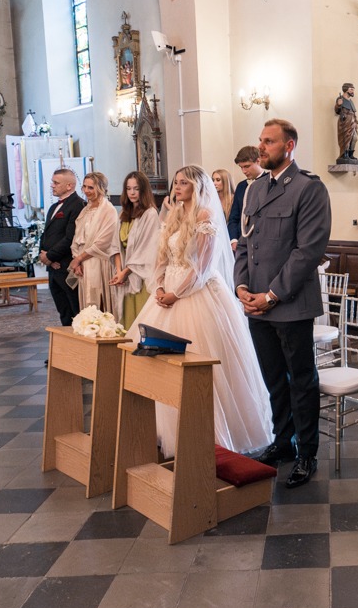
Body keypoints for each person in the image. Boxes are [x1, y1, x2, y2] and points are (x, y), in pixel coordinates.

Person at [128, 166, 271, 456]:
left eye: (183, 183)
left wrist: (176, 293)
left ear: (196, 186)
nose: (177, 187)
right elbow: (162, 259)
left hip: (196, 293)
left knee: (200, 360)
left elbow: (203, 267)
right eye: (176, 182)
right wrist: (159, 286)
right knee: (156, 363)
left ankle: (208, 433)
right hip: (166, 292)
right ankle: (160, 428)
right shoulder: (173, 215)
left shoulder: (205, 216)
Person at [235, 119, 332, 488]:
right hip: (256, 304)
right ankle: (283, 442)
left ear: (289, 146)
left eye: (269, 141)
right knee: (274, 379)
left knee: (301, 382)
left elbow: (308, 251)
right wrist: (242, 286)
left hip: (289, 304)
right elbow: (245, 244)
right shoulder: (255, 189)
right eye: (260, 140)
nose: (261, 147)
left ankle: (307, 452)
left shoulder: (308, 188)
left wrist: (271, 295)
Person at [110, 171, 160, 328]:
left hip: (141, 275)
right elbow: (115, 245)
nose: (131, 192)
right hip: (125, 275)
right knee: (126, 321)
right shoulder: (123, 214)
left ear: (143, 190)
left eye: (136, 189)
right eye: (128, 188)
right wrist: (119, 271)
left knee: (141, 321)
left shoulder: (150, 214)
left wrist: (125, 273)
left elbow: (146, 249)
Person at [69, 171, 122, 317]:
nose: (86, 191)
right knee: (87, 305)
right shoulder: (85, 211)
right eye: (84, 187)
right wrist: (77, 260)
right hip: (83, 264)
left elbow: (103, 241)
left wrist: (79, 258)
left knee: (100, 303)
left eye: (91, 187)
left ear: (101, 188)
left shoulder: (108, 210)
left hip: (99, 261)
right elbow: (76, 238)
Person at [38, 168, 85, 327]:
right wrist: (44, 256)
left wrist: (50, 256)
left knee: (75, 309)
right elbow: (46, 234)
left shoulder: (78, 205)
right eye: (53, 182)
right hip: (53, 267)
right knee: (63, 311)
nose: (52, 185)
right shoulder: (53, 207)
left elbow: (70, 237)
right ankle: (66, 340)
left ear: (69, 185)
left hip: (66, 265)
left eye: (56, 183)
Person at [227, 145, 263, 248]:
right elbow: (234, 217)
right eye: (241, 167)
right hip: (240, 242)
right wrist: (234, 239)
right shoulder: (241, 186)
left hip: (260, 242)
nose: (244, 171)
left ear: (258, 161)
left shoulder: (269, 183)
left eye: (247, 166)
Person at [335, 83, 358, 163]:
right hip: (345, 122)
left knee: (354, 138)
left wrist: (356, 122)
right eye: (351, 89)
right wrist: (338, 105)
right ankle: (344, 154)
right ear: (346, 89)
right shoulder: (340, 99)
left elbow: (353, 112)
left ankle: (350, 154)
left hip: (353, 122)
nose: (353, 91)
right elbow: (337, 110)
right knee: (346, 138)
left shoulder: (351, 101)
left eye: (353, 90)